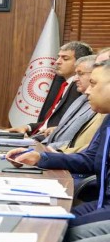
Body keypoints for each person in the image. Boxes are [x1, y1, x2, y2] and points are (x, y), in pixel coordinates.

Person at [8, 60, 110, 228]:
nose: (87, 91)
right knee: (43, 222)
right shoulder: (108, 119)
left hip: (105, 211)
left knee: (55, 231)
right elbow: (91, 159)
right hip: (100, 204)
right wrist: (40, 158)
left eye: (93, 83)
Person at [8, 41, 94, 137]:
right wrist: (28, 127)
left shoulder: (80, 89)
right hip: (41, 136)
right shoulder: (62, 84)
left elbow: (65, 126)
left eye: (65, 58)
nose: (57, 61)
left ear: (79, 62)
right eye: (58, 57)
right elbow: (50, 122)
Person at [44, 54, 105, 154]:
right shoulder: (80, 99)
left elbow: (85, 146)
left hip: (68, 157)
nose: (75, 79)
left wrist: (49, 151)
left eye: (80, 73)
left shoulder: (101, 107)